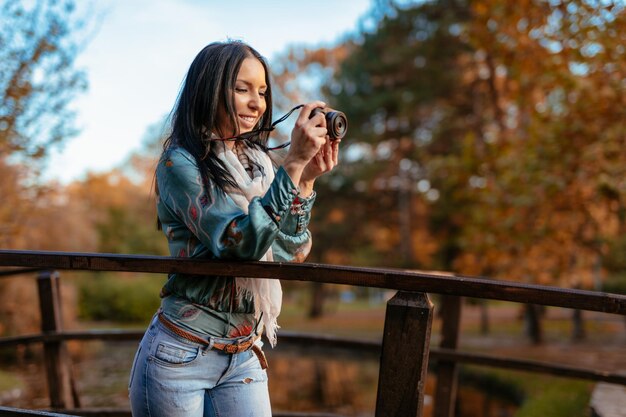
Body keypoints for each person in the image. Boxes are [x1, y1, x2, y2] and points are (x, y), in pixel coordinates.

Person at [128, 40, 340, 417]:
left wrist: (305, 180)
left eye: (261, 91)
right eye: (241, 89)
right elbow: (238, 244)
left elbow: (288, 251)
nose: (256, 102)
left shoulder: (258, 163)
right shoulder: (180, 164)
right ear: (209, 90)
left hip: (244, 353)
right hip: (180, 354)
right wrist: (291, 166)